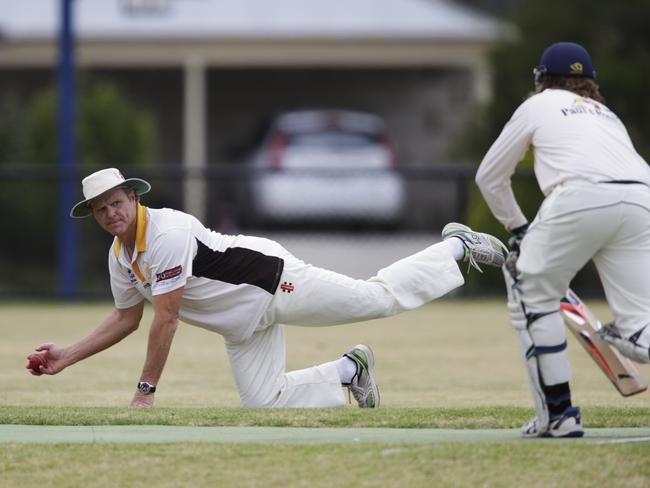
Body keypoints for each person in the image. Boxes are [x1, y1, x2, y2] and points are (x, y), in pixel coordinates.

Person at [27, 167, 507, 409]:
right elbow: (125, 318)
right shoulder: (120, 256)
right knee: (265, 402)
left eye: (116, 202)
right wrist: (65, 356)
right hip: (240, 321)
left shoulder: (166, 233)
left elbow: (166, 317)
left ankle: (456, 249)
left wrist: (146, 391)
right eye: (101, 209)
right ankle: (349, 371)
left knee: (374, 298)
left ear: (133, 197)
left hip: (272, 282)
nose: (111, 213)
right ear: (94, 216)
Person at [475, 41, 650, 438]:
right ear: (589, 82)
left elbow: (489, 176)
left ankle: (558, 416)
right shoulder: (607, 114)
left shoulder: (538, 104)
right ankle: (631, 334)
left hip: (579, 197)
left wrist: (518, 228)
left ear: (541, 78)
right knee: (638, 328)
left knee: (531, 296)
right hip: (642, 199)